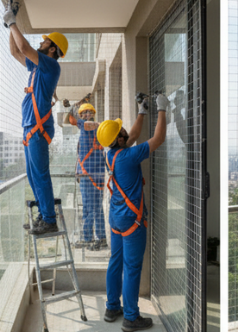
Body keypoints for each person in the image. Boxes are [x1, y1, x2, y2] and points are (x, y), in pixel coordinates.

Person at [96, 93, 169, 331]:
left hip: (117, 217)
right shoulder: (128, 156)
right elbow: (158, 139)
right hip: (132, 220)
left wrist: (142, 110)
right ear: (118, 139)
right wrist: (162, 109)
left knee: (116, 262)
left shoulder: (112, 154)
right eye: (120, 130)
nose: (125, 129)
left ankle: (111, 307)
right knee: (132, 267)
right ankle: (130, 316)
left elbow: (134, 135)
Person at [3, 1, 68, 235]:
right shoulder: (36, 69)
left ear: (52, 49)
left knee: (40, 174)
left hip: (37, 130)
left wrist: (12, 22)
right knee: (33, 175)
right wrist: (10, 22)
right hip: (30, 128)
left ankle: (50, 219)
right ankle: (44, 214)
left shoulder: (50, 66)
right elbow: (15, 50)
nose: (41, 42)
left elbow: (24, 46)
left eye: (45, 41)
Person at [66, 102, 107, 250]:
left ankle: (88, 238)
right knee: (95, 207)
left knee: (90, 208)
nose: (88, 114)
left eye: (90, 112)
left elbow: (70, 120)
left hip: (89, 175)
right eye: (85, 112)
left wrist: (71, 108)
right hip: (93, 175)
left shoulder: (86, 126)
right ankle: (100, 237)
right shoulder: (98, 130)